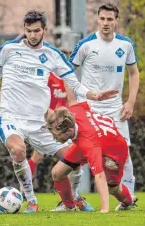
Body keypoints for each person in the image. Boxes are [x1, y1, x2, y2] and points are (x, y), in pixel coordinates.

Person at [0, 10, 117, 213]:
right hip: (12, 117)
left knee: (75, 159)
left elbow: (74, 84)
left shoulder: (52, 55)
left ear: (45, 30)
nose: (32, 35)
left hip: (41, 121)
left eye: (36, 31)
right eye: (28, 31)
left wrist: (94, 95)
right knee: (18, 151)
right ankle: (32, 201)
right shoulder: (8, 49)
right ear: (24, 30)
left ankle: (75, 198)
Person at [68, 3, 139, 203]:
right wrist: (73, 101)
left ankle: (129, 199)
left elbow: (134, 73)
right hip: (89, 109)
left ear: (116, 21)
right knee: (76, 155)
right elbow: (67, 72)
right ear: (97, 20)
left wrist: (130, 102)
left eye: (110, 19)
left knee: (123, 152)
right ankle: (73, 198)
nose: (105, 23)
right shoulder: (86, 44)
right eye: (102, 19)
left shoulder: (125, 45)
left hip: (115, 109)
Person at [47, 101, 138, 212]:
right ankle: (69, 207)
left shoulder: (89, 143)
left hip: (115, 151)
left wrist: (104, 209)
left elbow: (100, 176)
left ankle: (128, 202)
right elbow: (87, 104)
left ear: (70, 130)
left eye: (57, 134)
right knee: (57, 173)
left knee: (113, 188)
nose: (54, 137)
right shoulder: (73, 111)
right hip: (95, 139)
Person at [25, 73, 89, 210]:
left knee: (73, 160)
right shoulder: (47, 77)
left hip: (64, 128)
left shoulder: (68, 79)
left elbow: (72, 101)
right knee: (37, 157)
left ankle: (75, 198)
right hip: (48, 126)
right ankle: (26, 194)